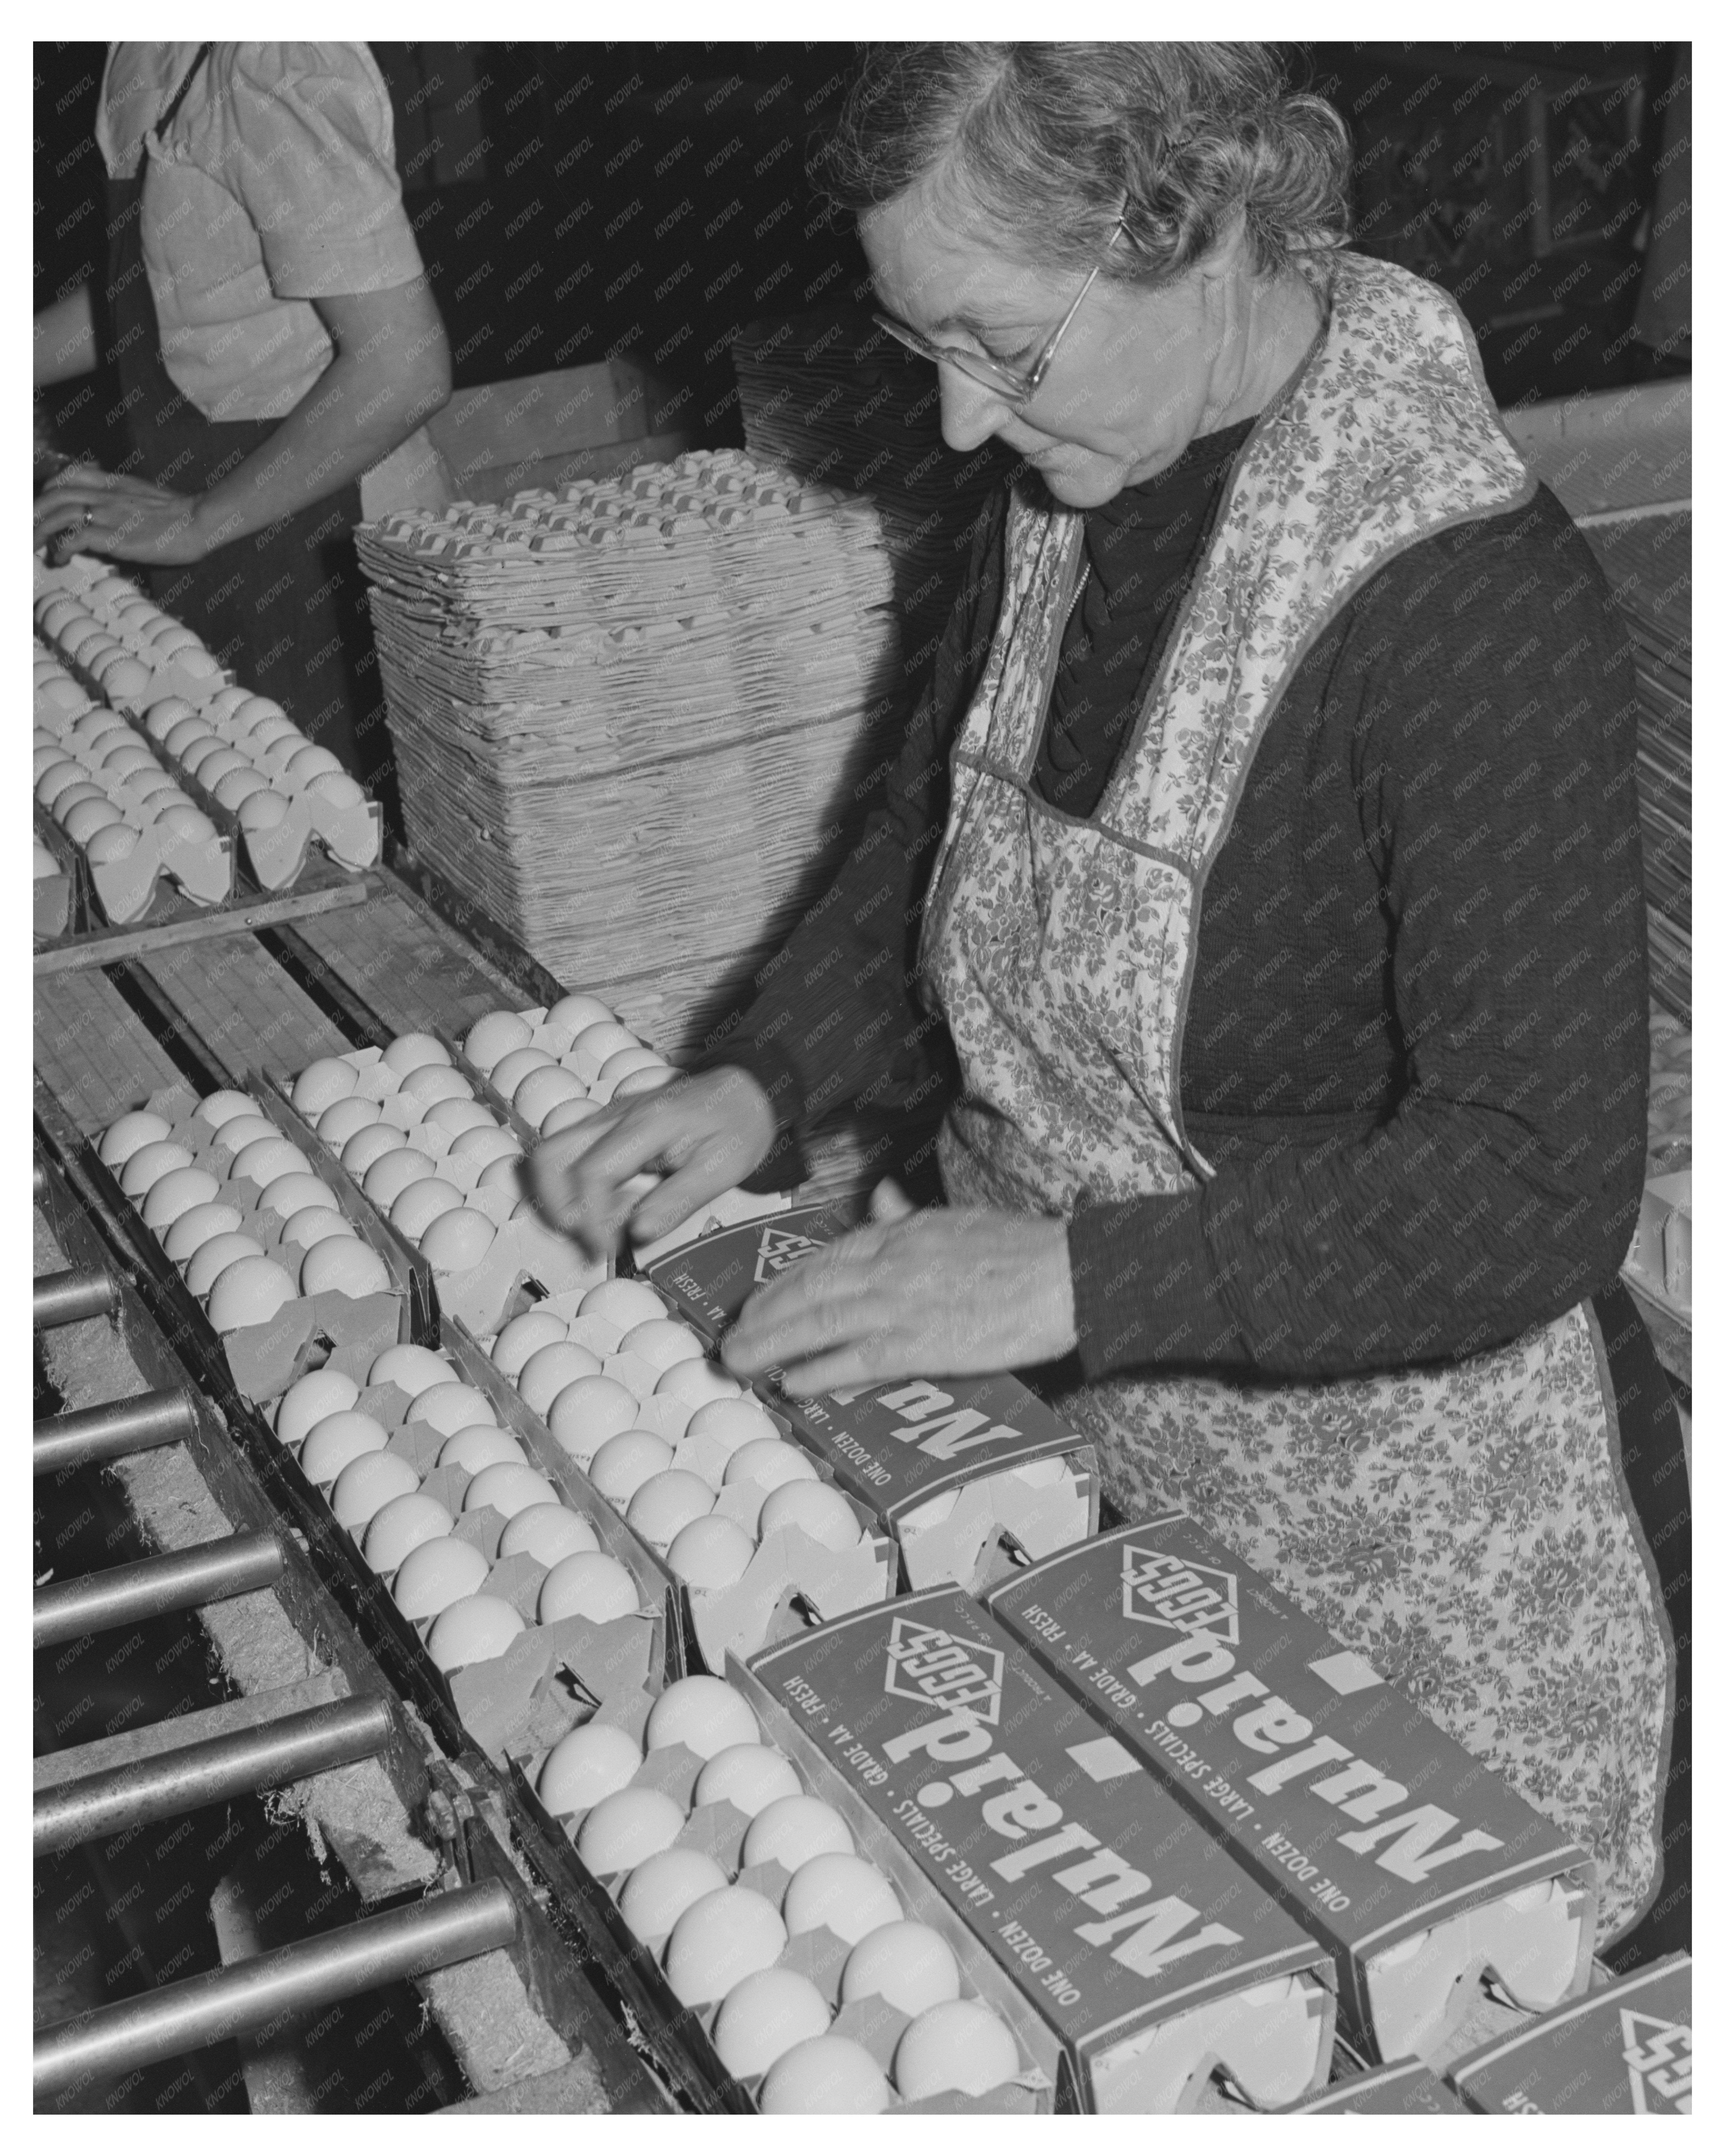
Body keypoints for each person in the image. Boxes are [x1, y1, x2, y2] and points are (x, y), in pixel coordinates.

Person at [528, 44, 1686, 1961]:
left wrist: (1072, 1280)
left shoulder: (1462, 601)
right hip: (1096, 1458)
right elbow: (945, 836)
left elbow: (1532, 1182)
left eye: (1001, 347)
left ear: (1203, 232)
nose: (957, 423)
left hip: (1402, 1545)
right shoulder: (1083, 467)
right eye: (921, 344)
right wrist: (764, 1077)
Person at [33, 42, 452, 790]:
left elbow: (402, 368)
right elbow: (167, 295)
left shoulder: (274, 58)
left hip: (332, 543)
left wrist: (198, 521)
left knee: (336, 810)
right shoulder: (138, 51)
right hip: (217, 515)